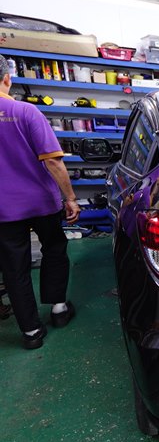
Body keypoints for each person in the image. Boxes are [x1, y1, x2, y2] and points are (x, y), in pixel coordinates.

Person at [0, 55, 80, 349]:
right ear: (7, 78)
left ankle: (31, 331)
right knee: (54, 249)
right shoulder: (26, 112)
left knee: (14, 267)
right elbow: (54, 163)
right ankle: (58, 309)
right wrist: (70, 198)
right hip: (41, 202)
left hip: (3, 210)